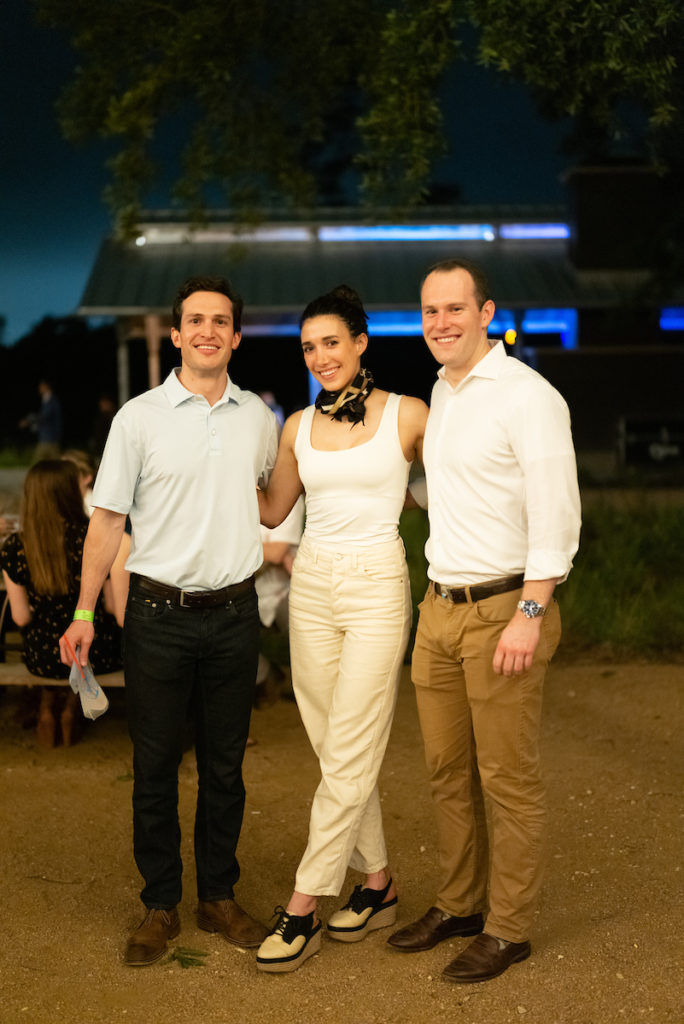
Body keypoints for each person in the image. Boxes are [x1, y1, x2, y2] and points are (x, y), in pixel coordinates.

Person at [59, 275, 278, 967]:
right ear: (178, 334)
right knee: (153, 766)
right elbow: (106, 523)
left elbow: (274, 501)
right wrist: (85, 610)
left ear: (236, 336)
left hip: (235, 613)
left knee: (225, 768)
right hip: (157, 613)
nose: (208, 330)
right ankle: (160, 904)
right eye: (195, 320)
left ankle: (218, 897)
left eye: (221, 320)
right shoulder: (138, 418)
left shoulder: (258, 418)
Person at [387, 259, 581, 983]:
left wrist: (531, 613)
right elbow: (447, 495)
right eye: (430, 310)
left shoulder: (528, 395)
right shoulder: (443, 392)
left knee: (507, 778)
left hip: (505, 609)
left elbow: (556, 515)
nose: (440, 322)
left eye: (454, 308)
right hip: (438, 609)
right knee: (446, 773)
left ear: (486, 312)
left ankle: (508, 928)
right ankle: (460, 904)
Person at [255, 285, 428, 973]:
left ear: (360, 342)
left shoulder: (409, 414)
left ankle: (303, 905)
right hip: (312, 586)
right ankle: (378, 884)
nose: (320, 357)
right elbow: (272, 510)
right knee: (336, 749)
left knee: (351, 746)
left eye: (331, 342)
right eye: (309, 347)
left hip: (378, 585)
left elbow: (453, 488)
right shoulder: (297, 425)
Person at [0, 460, 121, 747]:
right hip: (94, 652)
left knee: (53, 647)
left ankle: (46, 706)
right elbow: (111, 606)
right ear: (71, 493)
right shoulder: (92, 539)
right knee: (79, 649)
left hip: (42, 656)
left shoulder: (15, 546)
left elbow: (20, 618)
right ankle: (69, 707)